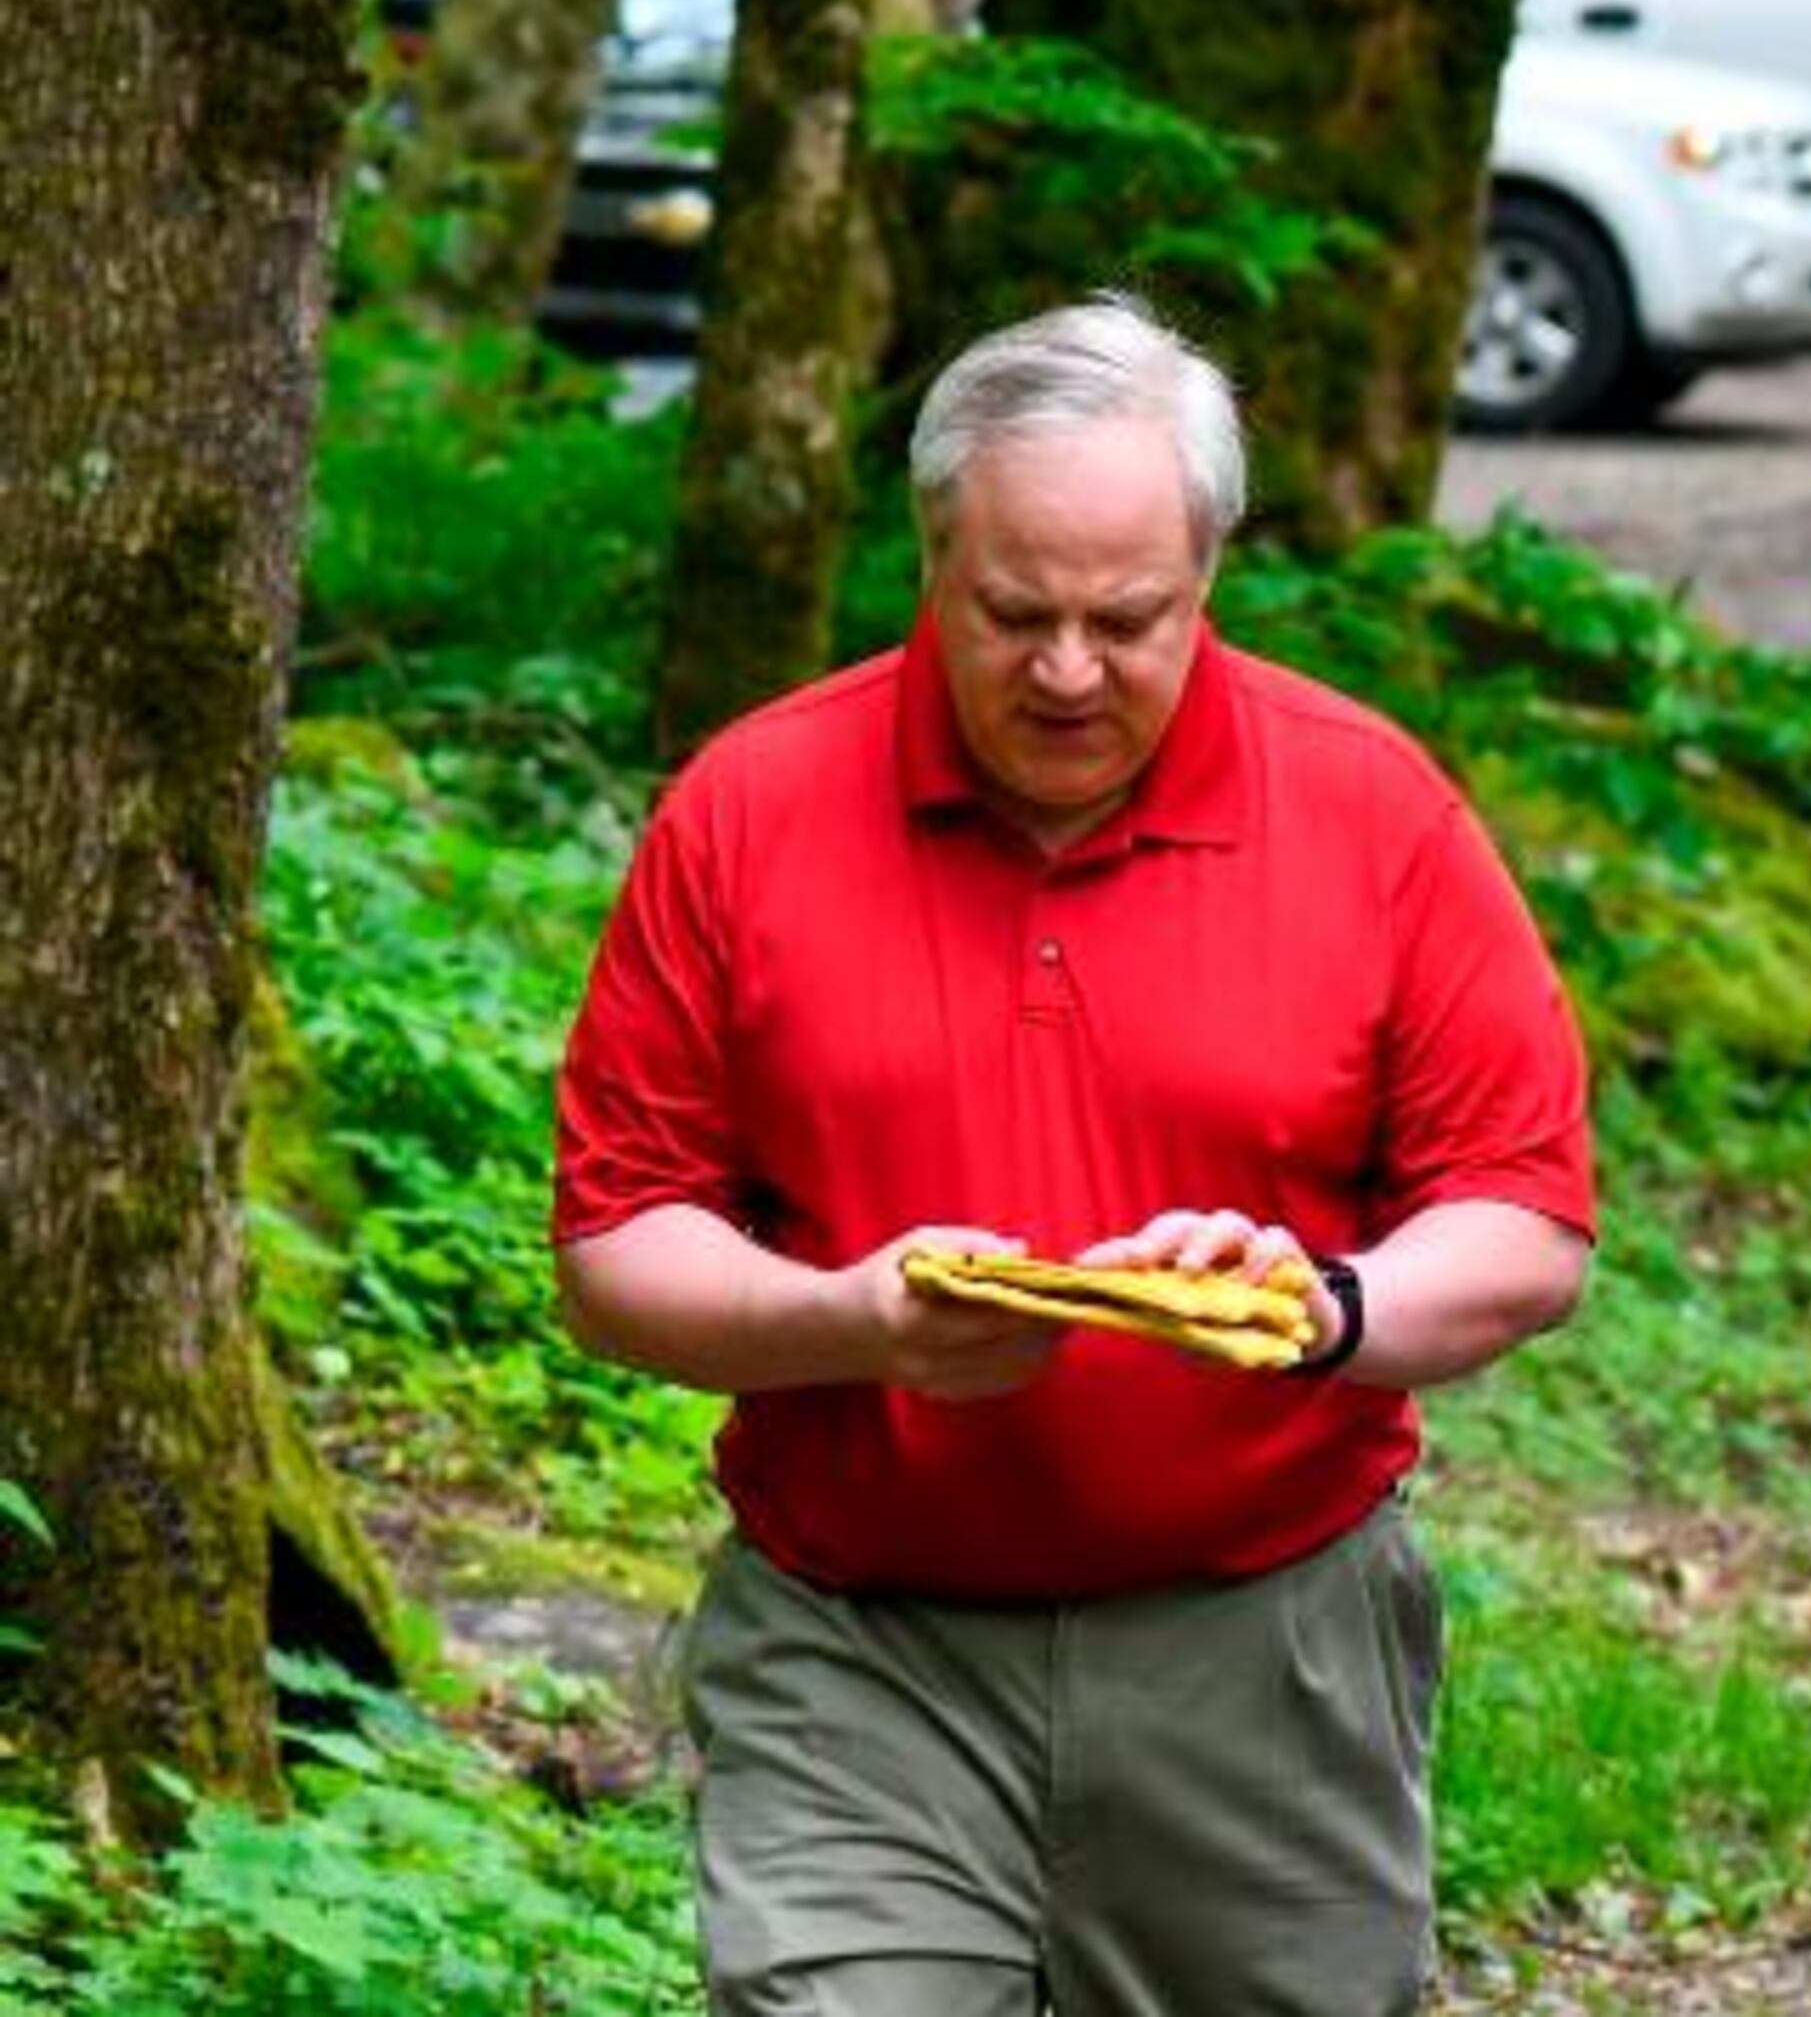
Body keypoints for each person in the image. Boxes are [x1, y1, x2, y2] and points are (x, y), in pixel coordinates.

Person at [552, 295, 1598, 2015]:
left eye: (1126, 620)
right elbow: (618, 1241)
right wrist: (854, 1319)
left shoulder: (1373, 812)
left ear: (1208, 573)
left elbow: (1525, 1214)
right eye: (1013, 612)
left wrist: (1319, 1304)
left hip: (1263, 1643)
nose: (1065, 671)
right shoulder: (751, 807)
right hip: (858, 1645)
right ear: (931, 558)